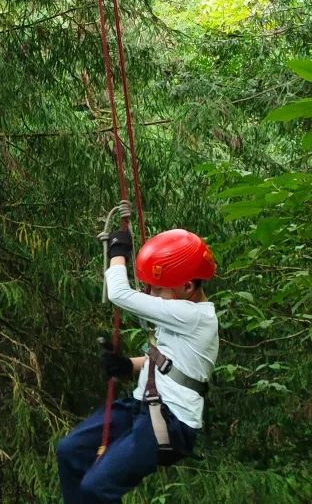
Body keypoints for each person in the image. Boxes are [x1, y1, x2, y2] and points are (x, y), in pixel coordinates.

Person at [57, 208, 218, 503]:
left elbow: (120, 294)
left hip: (172, 422)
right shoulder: (183, 311)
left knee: (97, 487)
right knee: (69, 451)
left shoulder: (194, 315)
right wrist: (128, 365)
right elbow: (174, 362)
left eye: (159, 287)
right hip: (142, 407)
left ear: (188, 287)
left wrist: (118, 252)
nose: (152, 294)